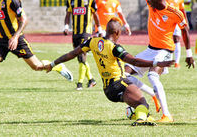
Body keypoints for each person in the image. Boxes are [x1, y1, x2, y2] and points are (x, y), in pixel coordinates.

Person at [44, 18, 175, 126]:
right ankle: (140, 120)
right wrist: (157, 63)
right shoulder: (115, 48)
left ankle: (141, 115)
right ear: (117, 32)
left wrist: (53, 64)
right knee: (143, 104)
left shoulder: (92, 41)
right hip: (119, 84)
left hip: (107, 89)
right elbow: (134, 61)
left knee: (141, 105)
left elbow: (72, 54)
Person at [125, 0, 195, 123]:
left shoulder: (174, 12)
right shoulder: (151, 2)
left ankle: (167, 115)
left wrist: (189, 54)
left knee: (152, 75)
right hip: (150, 49)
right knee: (124, 75)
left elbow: (185, 30)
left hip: (165, 51)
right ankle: (153, 95)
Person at [64, 0, 101, 90]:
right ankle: (91, 79)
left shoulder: (90, 0)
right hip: (75, 33)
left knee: (82, 56)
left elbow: (95, 15)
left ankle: (79, 83)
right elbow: (68, 15)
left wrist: (99, 28)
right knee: (79, 57)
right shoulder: (71, 0)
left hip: (86, 33)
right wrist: (66, 26)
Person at [166, 0, 187, 68]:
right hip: (167, 22)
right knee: (168, 40)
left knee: (177, 39)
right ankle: (168, 61)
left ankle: (177, 62)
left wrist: (186, 22)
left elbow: (182, 10)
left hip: (177, 22)